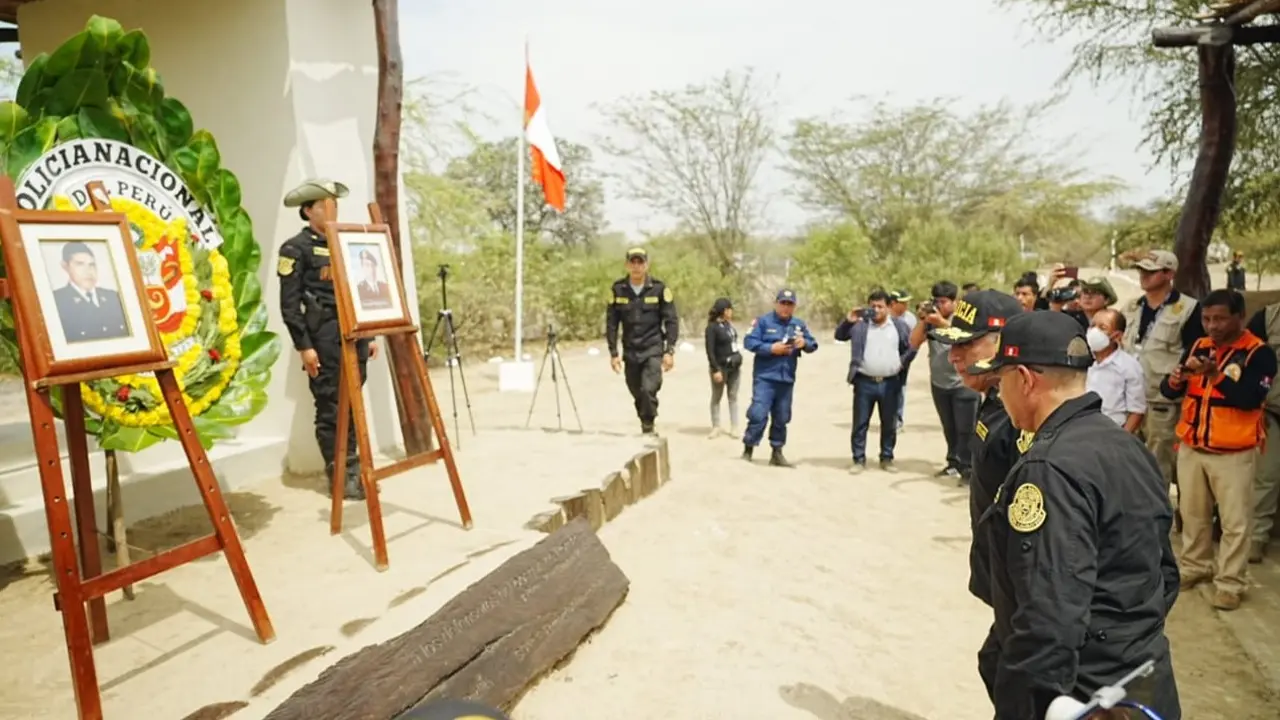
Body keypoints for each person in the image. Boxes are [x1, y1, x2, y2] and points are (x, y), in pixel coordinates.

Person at [968, 310, 1181, 720]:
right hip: (1142, 680)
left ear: (1025, 380)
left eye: (1000, 381)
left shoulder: (1049, 469)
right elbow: (1165, 574)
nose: (1000, 393)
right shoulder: (1128, 447)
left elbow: (1049, 616)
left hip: (1085, 697)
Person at [928, 289, 1026, 700]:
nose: (954, 356)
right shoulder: (995, 402)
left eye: (967, 345)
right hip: (1005, 577)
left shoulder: (1024, 419)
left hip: (1026, 586)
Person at [1161, 289, 1276, 611]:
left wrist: (1215, 375)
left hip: (1234, 452)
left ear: (1240, 317)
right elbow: (1169, 391)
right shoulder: (1199, 345)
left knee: (1234, 523)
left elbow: (1250, 399)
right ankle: (1196, 566)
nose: (1212, 326)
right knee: (1193, 515)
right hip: (1193, 446)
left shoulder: (1259, 353)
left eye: (1221, 319)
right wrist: (1176, 379)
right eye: (1207, 319)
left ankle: (1230, 583)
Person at [278, 178, 377, 501]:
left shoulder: (346, 243)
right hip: (323, 338)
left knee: (353, 403)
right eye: (324, 205)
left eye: (334, 204)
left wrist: (369, 334)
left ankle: (356, 470)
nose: (332, 210)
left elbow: (360, 290)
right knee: (331, 406)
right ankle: (340, 474)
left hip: (354, 335)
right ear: (308, 211)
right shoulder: (296, 249)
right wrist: (304, 346)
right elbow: (290, 305)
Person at [1121, 249, 1204, 495]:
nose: (1143, 276)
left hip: (1162, 401)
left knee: (1158, 466)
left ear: (1169, 274)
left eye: (1151, 271)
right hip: (1129, 398)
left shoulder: (1188, 308)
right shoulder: (1131, 306)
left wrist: (1177, 383)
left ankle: (1160, 514)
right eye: (1141, 270)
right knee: (1128, 462)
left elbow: (1194, 352)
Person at [835, 289, 915, 473]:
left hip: (890, 383)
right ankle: (858, 459)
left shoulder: (899, 326)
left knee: (889, 423)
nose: (876, 310)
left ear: (889, 307)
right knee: (860, 423)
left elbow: (910, 347)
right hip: (865, 382)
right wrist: (848, 320)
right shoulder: (860, 325)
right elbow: (839, 336)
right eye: (873, 306)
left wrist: (901, 364)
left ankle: (887, 458)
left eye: (880, 306)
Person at [909, 281, 981, 483]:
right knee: (949, 427)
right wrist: (923, 321)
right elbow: (914, 342)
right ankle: (953, 462)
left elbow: (967, 339)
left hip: (963, 383)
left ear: (954, 302)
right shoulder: (931, 320)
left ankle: (968, 468)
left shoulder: (964, 319)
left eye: (943, 302)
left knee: (966, 429)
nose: (939, 306)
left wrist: (941, 322)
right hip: (940, 383)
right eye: (936, 301)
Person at [741, 289, 817, 467]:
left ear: (794, 306)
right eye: (783, 303)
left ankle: (777, 452)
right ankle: (748, 448)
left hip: (786, 378)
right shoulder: (763, 322)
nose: (786, 307)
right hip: (765, 377)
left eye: (790, 304)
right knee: (758, 413)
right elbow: (749, 342)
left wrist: (804, 343)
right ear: (776, 303)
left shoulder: (798, 325)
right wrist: (770, 348)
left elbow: (813, 344)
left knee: (782, 417)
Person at [606, 247, 679, 434]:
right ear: (627, 265)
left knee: (648, 388)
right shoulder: (618, 289)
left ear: (647, 265)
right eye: (633, 262)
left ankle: (648, 424)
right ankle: (645, 418)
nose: (636, 266)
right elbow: (612, 324)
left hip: (652, 348)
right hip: (630, 350)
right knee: (636, 390)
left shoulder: (659, 289)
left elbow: (671, 321)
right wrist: (613, 353)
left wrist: (669, 351)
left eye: (640, 262)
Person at [1245, 300, 1280, 563]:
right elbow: (1245, 358)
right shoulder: (1269, 317)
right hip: (1271, 411)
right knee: (1265, 475)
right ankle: (1256, 536)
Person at [52, 241, 129, 342]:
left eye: (92, 265)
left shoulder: (114, 297)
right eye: (80, 264)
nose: (88, 271)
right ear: (65, 266)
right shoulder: (56, 301)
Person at [1086, 309, 1146, 433]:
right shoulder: (1085, 361)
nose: (1094, 331)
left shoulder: (1129, 367)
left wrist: (1122, 438)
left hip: (1112, 432)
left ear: (1117, 336)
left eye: (1102, 327)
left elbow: (1137, 411)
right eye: (1092, 325)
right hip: (1085, 430)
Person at [704, 297, 742, 438]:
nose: (731, 312)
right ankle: (716, 426)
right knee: (717, 397)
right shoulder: (712, 328)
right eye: (729, 309)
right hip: (720, 367)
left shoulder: (729, 326)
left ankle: (734, 426)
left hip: (734, 367)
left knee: (733, 396)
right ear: (724, 311)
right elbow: (710, 351)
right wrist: (715, 369)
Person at [888, 289, 917, 430]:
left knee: (900, 389)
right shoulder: (884, 316)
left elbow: (914, 342)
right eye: (903, 303)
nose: (906, 306)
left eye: (907, 302)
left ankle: (897, 419)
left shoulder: (910, 319)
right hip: (886, 357)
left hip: (902, 358)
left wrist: (904, 360)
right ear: (893, 303)